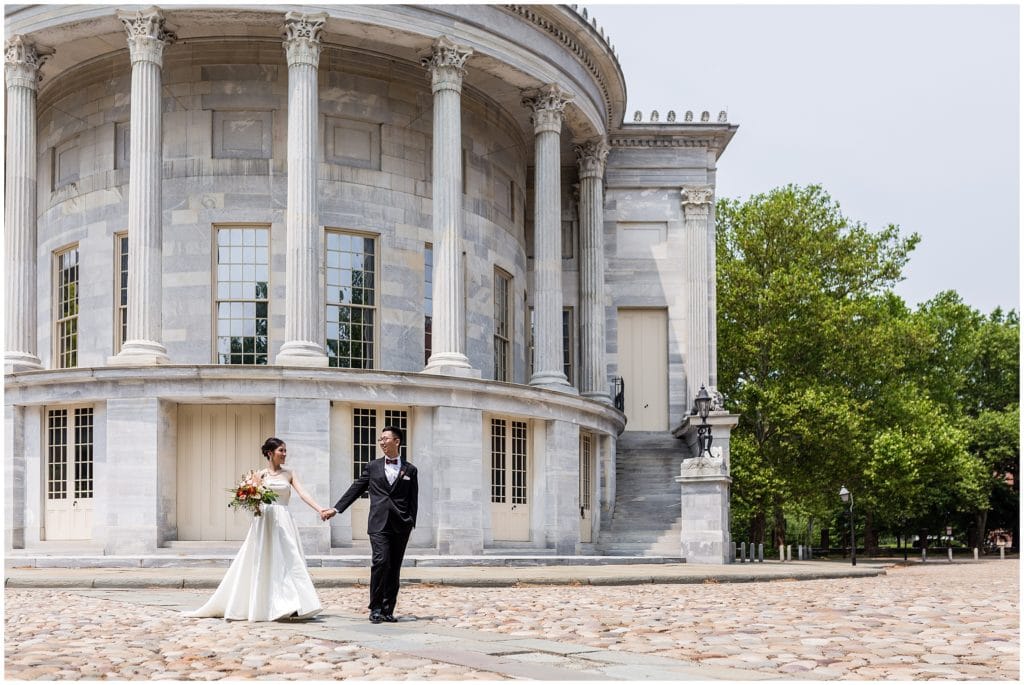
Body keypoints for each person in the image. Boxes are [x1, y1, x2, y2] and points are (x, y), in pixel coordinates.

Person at [185, 437, 335, 621]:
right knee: (263, 560)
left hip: (284, 520)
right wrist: (251, 493)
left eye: (285, 450)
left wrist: (320, 509)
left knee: (290, 559)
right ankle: (264, 603)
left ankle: (295, 603)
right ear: (270, 453)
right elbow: (248, 500)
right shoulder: (260, 475)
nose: (285, 454)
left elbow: (303, 493)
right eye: (281, 450)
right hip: (265, 522)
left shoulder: (289, 473)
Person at [322, 425, 418, 624]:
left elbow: (413, 498)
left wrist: (411, 521)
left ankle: (388, 609)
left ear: (397, 441)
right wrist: (336, 509)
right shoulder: (372, 467)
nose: (382, 442)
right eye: (380, 439)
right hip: (378, 523)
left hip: (401, 525)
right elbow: (356, 489)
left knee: (394, 568)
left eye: (385, 439)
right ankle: (375, 608)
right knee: (381, 562)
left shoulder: (410, 470)